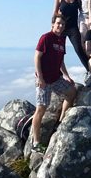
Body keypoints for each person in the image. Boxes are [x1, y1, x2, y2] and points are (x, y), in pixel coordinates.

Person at [31, 15, 77, 153]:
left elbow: (61, 60)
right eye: (58, 24)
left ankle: (61, 120)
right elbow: (37, 57)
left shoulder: (62, 39)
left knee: (71, 92)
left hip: (56, 78)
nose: (60, 26)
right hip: (44, 80)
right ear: (53, 25)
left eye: (62, 24)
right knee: (41, 109)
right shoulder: (46, 38)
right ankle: (36, 142)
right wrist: (40, 78)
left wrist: (67, 76)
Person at [52, 0, 89, 71]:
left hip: (73, 28)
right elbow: (55, 13)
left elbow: (83, 11)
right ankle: (58, 73)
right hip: (61, 28)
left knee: (79, 49)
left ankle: (90, 71)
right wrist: (53, 26)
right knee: (59, 51)